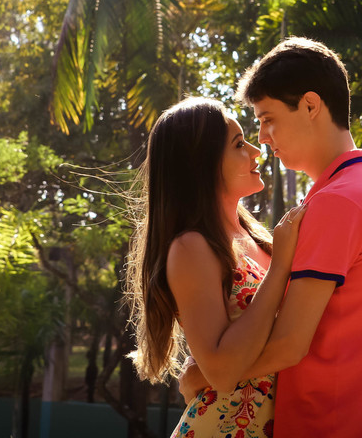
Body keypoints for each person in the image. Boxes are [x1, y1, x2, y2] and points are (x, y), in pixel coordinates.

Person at [181, 37, 362, 437]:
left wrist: (205, 375)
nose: (263, 137)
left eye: (268, 118)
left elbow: (289, 343)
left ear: (310, 106)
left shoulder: (339, 201)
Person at [127, 96, 305, 438]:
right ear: (202, 164)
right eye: (238, 144)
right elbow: (223, 371)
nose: (255, 150)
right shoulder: (191, 247)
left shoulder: (256, 238)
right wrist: (281, 266)